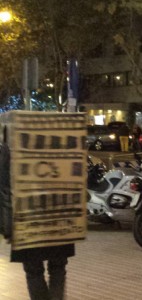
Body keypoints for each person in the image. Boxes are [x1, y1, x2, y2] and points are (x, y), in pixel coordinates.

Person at [1, 127, 74, 300]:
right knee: (58, 268)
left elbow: (4, 187)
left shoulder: (10, 147)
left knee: (33, 271)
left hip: (26, 217)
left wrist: (7, 223)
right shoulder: (64, 145)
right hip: (59, 215)